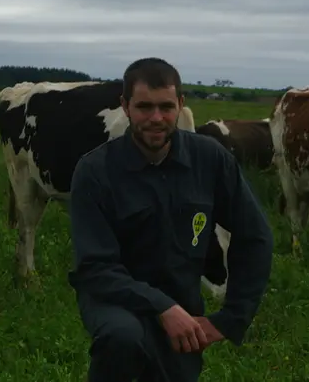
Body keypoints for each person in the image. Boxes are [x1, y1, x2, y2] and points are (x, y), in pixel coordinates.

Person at [67, 57, 274, 382]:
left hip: (181, 297)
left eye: (166, 107)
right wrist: (162, 307)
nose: (156, 118)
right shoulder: (95, 172)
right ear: (125, 106)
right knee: (123, 338)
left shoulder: (210, 159)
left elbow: (256, 237)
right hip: (114, 298)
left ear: (180, 104)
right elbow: (95, 268)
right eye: (144, 107)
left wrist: (231, 317)